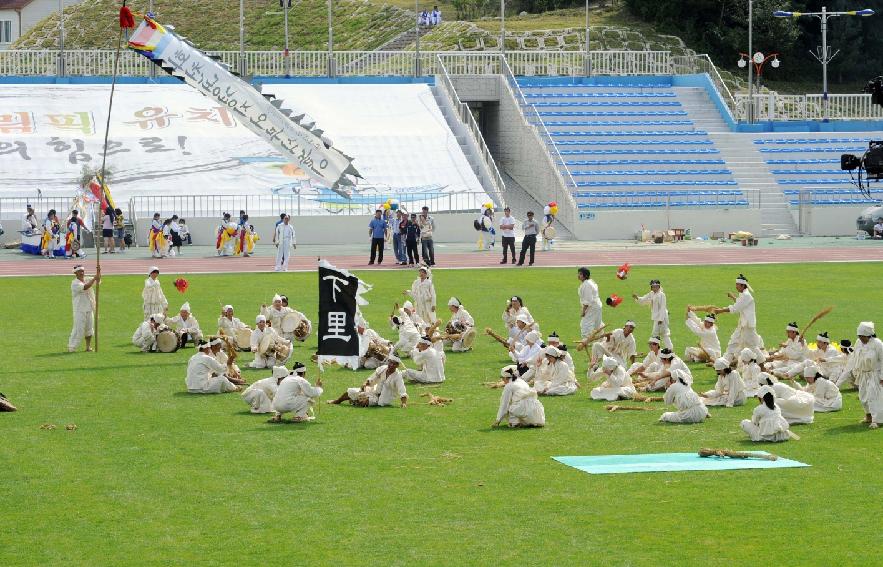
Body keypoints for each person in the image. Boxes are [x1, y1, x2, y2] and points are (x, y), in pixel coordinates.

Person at [712, 274, 764, 362]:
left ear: (743, 285)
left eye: (737, 285)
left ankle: (762, 364)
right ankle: (724, 363)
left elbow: (736, 308)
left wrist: (720, 311)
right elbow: (740, 303)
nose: (736, 287)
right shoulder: (743, 294)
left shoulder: (746, 296)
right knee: (733, 342)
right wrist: (733, 297)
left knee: (752, 347)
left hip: (747, 326)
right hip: (742, 324)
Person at [842, 321, 883, 429]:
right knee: (863, 396)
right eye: (859, 336)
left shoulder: (878, 344)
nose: (860, 338)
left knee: (873, 396)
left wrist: (882, 377)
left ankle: (876, 420)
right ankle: (868, 416)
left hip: (875, 374)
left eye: (862, 336)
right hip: (863, 374)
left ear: (868, 335)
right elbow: (855, 357)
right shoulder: (858, 343)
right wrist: (856, 371)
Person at [328, 357, 408, 408]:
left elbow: (402, 391)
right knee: (350, 391)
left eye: (394, 364)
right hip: (374, 391)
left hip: (384, 398)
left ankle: (355, 401)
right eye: (390, 362)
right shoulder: (382, 368)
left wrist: (403, 403)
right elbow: (371, 378)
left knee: (364, 401)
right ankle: (337, 401)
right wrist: (365, 383)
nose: (391, 365)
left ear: (397, 366)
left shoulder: (398, 376)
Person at [633, 279, 672, 350]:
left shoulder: (662, 295)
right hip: (657, 318)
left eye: (656, 287)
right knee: (660, 334)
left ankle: (666, 349)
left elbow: (663, 307)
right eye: (653, 287)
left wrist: (661, 319)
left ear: (658, 286)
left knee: (662, 334)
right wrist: (637, 298)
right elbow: (644, 299)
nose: (654, 288)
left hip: (662, 318)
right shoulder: (651, 293)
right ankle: (661, 349)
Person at [69, 264, 99, 352]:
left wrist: (99, 272)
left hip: (89, 308)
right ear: (76, 273)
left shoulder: (87, 279)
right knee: (78, 329)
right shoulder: (74, 283)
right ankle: (72, 347)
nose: (82, 273)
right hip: (79, 309)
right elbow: (85, 287)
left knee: (89, 329)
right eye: (80, 271)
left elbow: (98, 280)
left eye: (83, 271)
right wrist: (94, 279)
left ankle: (88, 347)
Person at [578, 267, 603, 338]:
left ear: (585, 275)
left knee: (585, 324)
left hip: (591, 307)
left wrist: (583, 311)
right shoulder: (591, 281)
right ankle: (600, 338)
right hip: (597, 306)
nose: (578, 276)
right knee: (597, 324)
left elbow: (588, 300)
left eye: (580, 274)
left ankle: (586, 341)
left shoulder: (586, 284)